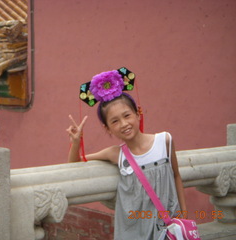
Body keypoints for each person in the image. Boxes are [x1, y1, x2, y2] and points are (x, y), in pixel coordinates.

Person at [66, 68, 186, 240]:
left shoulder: (164, 141)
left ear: (138, 114)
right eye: (115, 121)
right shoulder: (116, 154)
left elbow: (176, 176)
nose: (124, 124)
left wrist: (184, 214)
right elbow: (74, 164)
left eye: (127, 115)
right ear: (107, 128)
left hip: (167, 228)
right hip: (133, 231)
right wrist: (76, 142)